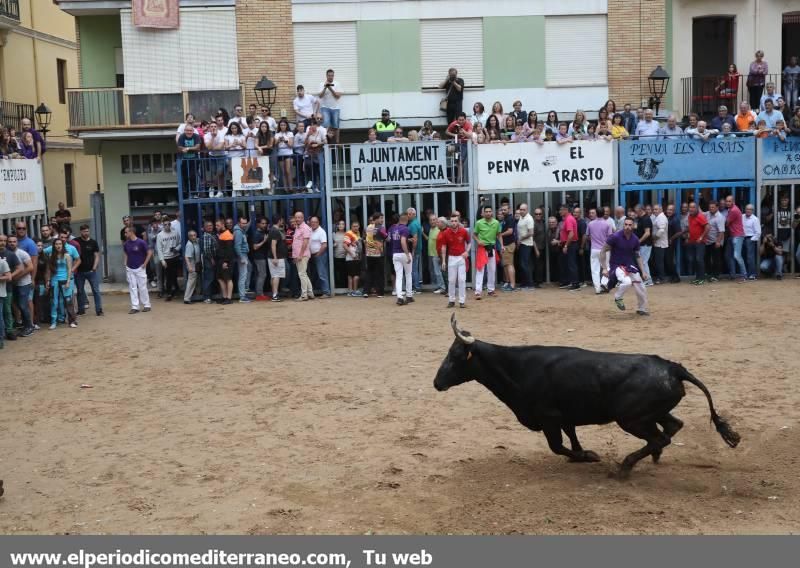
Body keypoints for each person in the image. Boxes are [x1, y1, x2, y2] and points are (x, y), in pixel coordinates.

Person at [601, 218, 650, 316]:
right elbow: (603, 250)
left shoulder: (635, 239)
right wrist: (604, 268)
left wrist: (643, 271)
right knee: (627, 282)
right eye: (626, 224)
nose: (627, 227)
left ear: (633, 226)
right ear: (623, 225)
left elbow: (638, 256)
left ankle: (642, 308)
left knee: (641, 286)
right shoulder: (615, 237)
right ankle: (618, 297)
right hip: (617, 265)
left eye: (630, 225)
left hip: (629, 265)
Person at [439, 212, 470, 308]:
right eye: (452, 221)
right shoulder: (446, 233)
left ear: (458, 221)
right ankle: (451, 300)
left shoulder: (464, 231)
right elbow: (443, 247)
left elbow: (469, 243)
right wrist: (444, 260)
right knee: (451, 280)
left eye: (455, 221)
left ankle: (462, 301)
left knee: (462, 280)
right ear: (449, 222)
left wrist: (467, 251)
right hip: (451, 257)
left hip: (461, 257)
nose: (453, 223)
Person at [472, 206, 502, 299]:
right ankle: (478, 291)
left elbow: (499, 235)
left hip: (492, 248)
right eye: (486, 211)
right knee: (480, 270)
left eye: (489, 211)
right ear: (483, 213)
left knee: (492, 270)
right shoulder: (479, 223)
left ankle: (491, 290)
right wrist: (478, 241)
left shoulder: (496, 223)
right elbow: (474, 234)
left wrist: (502, 245)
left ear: (492, 212)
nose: (488, 213)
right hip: (482, 248)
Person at [122, 227, 152, 314]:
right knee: (132, 287)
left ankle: (147, 305)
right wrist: (125, 263)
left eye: (126, 232)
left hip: (140, 268)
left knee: (142, 287)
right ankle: (135, 306)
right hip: (130, 268)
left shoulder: (141, 242)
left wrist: (145, 263)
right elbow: (126, 253)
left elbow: (149, 252)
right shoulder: (126, 244)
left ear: (131, 232)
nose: (125, 234)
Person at [75, 224, 102, 316]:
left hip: (91, 271)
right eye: (84, 231)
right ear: (80, 232)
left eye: (87, 231)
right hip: (79, 272)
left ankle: (99, 310)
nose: (86, 233)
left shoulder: (93, 242)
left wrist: (94, 267)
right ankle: (81, 310)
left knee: (96, 290)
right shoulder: (76, 242)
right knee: (79, 291)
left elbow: (96, 256)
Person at [388, 213, 413, 306]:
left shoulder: (394, 228)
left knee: (399, 276)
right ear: (406, 220)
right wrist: (407, 254)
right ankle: (409, 295)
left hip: (395, 254)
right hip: (403, 253)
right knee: (408, 274)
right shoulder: (405, 229)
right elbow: (402, 241)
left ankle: (399, 297)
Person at [587, 208, 613, 294]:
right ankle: (604, 282)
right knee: (607, 267)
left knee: (595, 269)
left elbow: (588, 235)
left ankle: (597, 289)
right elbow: (610, 237)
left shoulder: (590, 224)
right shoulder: (607, 224)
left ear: (596, 214)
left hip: (594, 248)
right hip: (604, 249)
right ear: (603, 213)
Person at [156, 217, 181, 301]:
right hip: (166, 258)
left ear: (170, 224)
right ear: (163, 225)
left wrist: (176, 249)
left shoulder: (175, 232)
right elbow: (159, 249)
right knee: (168, 276)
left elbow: (180, 243)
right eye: (165, 224)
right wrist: (162, 260)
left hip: (175, 256)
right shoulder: (160, 235)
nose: (167, 226)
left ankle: (176, 289)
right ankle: (169, 293)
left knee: (174, 275)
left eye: (168, 224)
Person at [364, 212, 387, 297]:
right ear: (376, 219)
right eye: (381, 218)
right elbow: (387, 238)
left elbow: (365, 239)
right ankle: (380, 292)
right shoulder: (381, 228)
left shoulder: (368, 227)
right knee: (380, 273)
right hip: (378, 253)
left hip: (369, 253)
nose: (382, 220)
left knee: (369, 272)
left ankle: (366, 291)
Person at [685, 202, 709, 285]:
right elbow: (691, 228)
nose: (691, 209)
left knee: (699, 259)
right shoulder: (690, 216)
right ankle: (697, 277)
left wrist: (701, 237)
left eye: (693, 207)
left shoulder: (700, 216)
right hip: (692, 242)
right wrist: (688, 235)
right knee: (693, 260)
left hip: (700, 242)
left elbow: (707, 227)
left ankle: (702, 278)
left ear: (697, 208)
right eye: (690, 207)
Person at [724, 195, 747, 282]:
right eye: (727, 201)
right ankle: (733, 274)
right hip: (733, 235)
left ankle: (744, 275)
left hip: (737, 235)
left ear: (733, 202)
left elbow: (726, 223)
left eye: (729, 201)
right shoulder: (731, 209)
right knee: (729, 256)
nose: (728, 203)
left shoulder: (733, 210)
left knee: (737, 256)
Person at [292, 212, 314, 301]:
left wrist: (300, 255)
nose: (297, 219)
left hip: (302, 255)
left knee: (302, 274)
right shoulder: (298, 227)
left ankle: (304, 295)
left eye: (299, 217)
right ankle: (310, 293)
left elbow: (305, 242)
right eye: (296, 217)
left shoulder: (305, 228)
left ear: (303, 218)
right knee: (303, 274)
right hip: (299, 255)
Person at [318, 69, 343, 144]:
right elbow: (320, 96)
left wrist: (330, 88)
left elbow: (338, 96)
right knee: (325, 125)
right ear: (326, 76)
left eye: (332, 75)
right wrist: (325, 87)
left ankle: (337, 142)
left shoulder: (337, 84)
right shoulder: (322, 84)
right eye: (329, 75)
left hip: (335, 108)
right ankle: (326, 142)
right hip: (325, 107)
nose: (330, 77)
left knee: (336, 126)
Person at [266, 215, 288, 302]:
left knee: (273, 276)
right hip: (276, 257)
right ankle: (275, 295)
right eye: (281, 221)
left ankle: (274, 294)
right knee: (276, 276)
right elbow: (273, 245)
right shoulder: (275, 231)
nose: (282, 222)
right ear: (279, 221)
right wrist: (275, 257)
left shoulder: (272, 230)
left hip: (273, 257)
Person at [558, 205, 580, 290]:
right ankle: (570, 282)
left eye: (561, 210)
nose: (560, 212)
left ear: (566, 210)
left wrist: (566, 245)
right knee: (568, 264)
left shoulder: (569, 219)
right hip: (570, 244)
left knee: (571, 264)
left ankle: (575, 284)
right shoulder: (569, 219)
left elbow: (571, 235)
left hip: (571, 244)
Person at [308, 216, 330, 298]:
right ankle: (316, 290)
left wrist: (318, 254)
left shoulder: (321, 231)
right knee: (314, 274)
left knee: (322, 273)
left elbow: (324, 245)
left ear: (318, 223)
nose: (313, 223)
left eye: (315, 222)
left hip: (320, 255)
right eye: (312, 222)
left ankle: (326, 292)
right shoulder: (310, 230)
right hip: (312, 255)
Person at [704, 201, 726, 282]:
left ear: (717, 208)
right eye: (710, 207)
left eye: (713, 207)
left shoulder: (720, 217)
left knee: (716, 259)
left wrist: (718, 242)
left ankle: (716, 276)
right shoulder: (708, 213)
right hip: (708, 241)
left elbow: (721, 231)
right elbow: (701, 213)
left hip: (715, 241)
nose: (711, 209)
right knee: (707, 258)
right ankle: (709, 274)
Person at [215, 221, 235, 304]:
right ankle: (224, 297)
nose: (216, 226)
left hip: (226, 260)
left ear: (223, 225)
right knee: (220, 278)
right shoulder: (222, 234)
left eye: (218, 225)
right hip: (221, 260)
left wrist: (226, 261)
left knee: (228, 279)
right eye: (216, 225)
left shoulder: (227, 235)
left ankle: (229, 298)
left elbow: (229, 250)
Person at [633, 205, 653, 286]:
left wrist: (639, 241)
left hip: (645, 245)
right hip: (642, 245)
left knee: (644, 262)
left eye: (636, 211)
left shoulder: (646, 219)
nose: (635, 213)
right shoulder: (641, 219)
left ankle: (648, 280)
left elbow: (647, 233)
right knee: (642, 262)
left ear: (640, 210)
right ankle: (646, 278)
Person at [233, 216, 251, 303]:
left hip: (243, 254)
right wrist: (241, 257)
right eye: (242, 223)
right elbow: (237, 246)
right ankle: (242, 296)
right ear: (239, 223)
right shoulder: (239, 232)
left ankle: (243, 293)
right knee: (243, 276)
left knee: (244, 274)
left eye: (245, 223)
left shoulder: (240, 230)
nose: (244, 225)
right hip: (242, 255)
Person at [516, 203, 535, 289]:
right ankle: (524, 283)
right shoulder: (521, 217)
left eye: (523, 210)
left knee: (525, 264)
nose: (522, 211)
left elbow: (531, 233)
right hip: (522, 243)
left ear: (527, 210)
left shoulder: (529, 219)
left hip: (526, 244)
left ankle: (530, 284)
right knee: (522, 264)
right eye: (521, 209)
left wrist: (521, 239)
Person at [250, 217, 269, 300]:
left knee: (260, 275)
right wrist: (264, 241)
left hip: (261, 257)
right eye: (262, 223)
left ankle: (259, 293)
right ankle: (259, 294)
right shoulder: (257, 233)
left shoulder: (262, 232)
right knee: (262, 275)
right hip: (259, 257)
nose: (264, 225)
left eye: (265, 223)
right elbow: (254, 247)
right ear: (258, 224)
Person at [406, 208, 423, 293]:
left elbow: (415, 239)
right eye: (407, 214)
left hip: (415, 250)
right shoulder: (416, 223)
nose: (407, 215)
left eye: (409, 214)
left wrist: (412, 251)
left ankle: (416, 287)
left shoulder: (413, 224)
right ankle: (416, 286)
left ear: (414, 214)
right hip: (417, 249)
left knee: (413, 269)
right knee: (415, 269)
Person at [344, 220, 363, 297]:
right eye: (354, 226)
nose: (355, 227)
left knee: (352, 275)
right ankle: (354, 291)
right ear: (351, 227)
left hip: (355, 258)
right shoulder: (349, 234)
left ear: (359, 227)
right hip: (352, 258)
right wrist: (353, 254)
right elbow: (345, 245)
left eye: (357, 226)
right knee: (355, 275)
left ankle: (351, 291)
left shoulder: (357, 234)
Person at [742, 204, 761, 280]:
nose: (748, 210)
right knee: (743, 257)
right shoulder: (742, 216)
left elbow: (758, 232)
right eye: (747, 209)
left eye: (750, 209)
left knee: (750, 258)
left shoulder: (755, 219)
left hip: (750, 238)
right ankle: (744, 274)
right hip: (742, 238)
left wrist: (751, 240)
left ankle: (752, 274)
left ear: (753, 211)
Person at [651, 204, 669, 284]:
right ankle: (660, 277)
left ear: (661, 210)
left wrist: (655, 238)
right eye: (654, 209)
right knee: (658, 261)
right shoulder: (658, 217)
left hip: (660, 243)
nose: (654, 211)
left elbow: (661, 230)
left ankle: (661, 278)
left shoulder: (661, 218)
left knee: (659, 262)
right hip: (659, 243)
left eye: (656, 209)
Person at [183, 230, 200, 304]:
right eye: (191, 235)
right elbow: (186, 257)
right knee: (191, 281)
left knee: (194, 280)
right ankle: (187, 298)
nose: (193, 237)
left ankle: (196, 294)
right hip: (192, 264)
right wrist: (189, 267)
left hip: (196, 264)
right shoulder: (189, 244)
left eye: (194, 235)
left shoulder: (196, 242)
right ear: (188, 237)